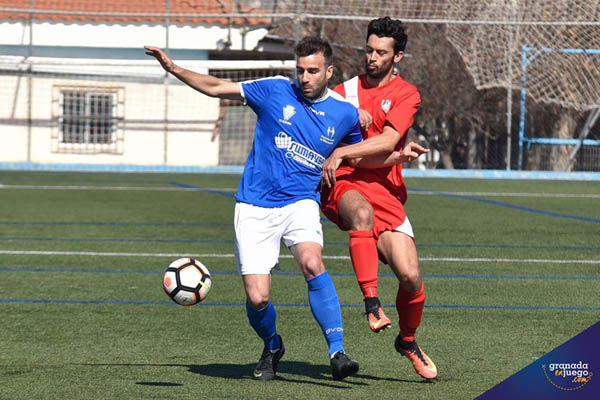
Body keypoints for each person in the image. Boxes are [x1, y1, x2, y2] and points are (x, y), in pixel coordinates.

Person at [145, 37, 405, 381]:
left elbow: (359, 158)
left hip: (301, 203)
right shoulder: (273, 90)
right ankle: (272, 343)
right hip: (254, 205)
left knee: (312, 263)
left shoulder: (344, 113)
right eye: (300, 70)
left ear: (329, 71)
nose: (305, 77)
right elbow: (217, 88)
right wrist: (174, 68)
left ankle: (338, 352)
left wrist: (398, 155)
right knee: (257, 298)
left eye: (313, 71)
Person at [320, 17, 438, 380]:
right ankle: (372, 304)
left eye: (381, 52)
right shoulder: (342, 92)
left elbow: (387, 142)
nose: (372, 57)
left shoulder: (407, 94)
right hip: (346, 183)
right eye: (369, 50)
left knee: (411, 277)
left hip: (386, 190)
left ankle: (406, 340)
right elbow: (331, 145)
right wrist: (341, 151)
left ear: (397, 56)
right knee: (361, 213)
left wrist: (360, 153)